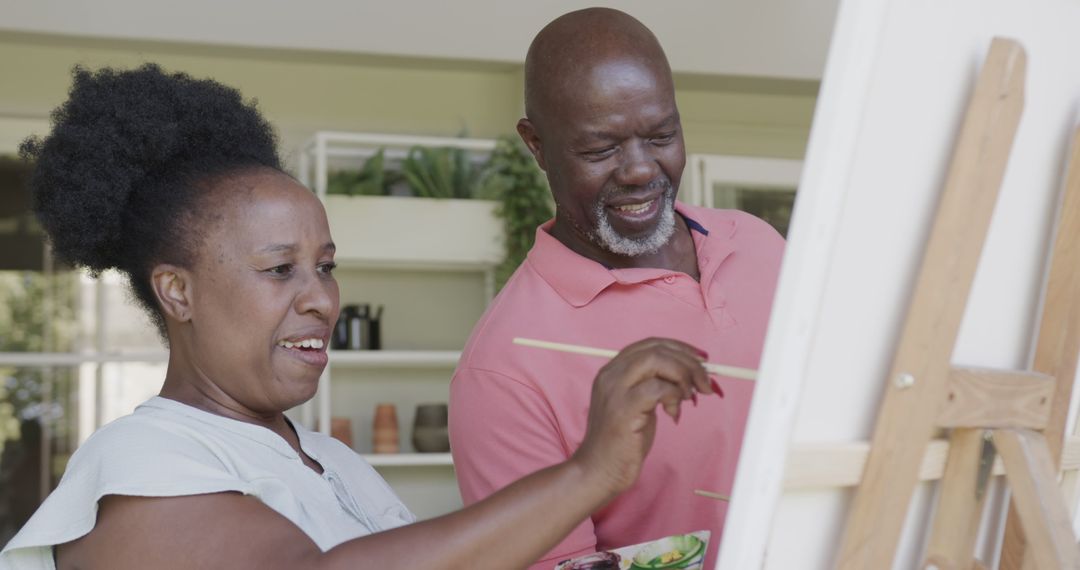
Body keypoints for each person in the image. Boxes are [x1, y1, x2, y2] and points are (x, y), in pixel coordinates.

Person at [0, 64, 717, 570]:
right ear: (177, 292)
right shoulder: (137, 467)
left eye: (327, 266)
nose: (321, 297)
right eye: (280, 269)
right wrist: (588, 474)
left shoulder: (331, 462)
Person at [448, 7, 786, 569]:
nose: (638, 170)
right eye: (601, 149)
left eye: (661, 135)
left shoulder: (758, 244)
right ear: (536, 145)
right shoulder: (504, 371)